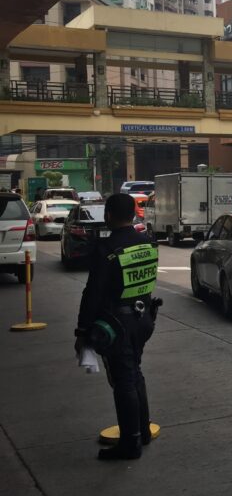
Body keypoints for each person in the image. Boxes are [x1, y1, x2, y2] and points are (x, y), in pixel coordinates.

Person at [75, 193, 159, 461]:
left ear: (108, 215)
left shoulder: (107, 248)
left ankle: (130, 443)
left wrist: (82, 331)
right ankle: (142, 431)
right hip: (143, 320)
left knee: (124, 381)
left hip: (117, 325)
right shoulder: (147, 242)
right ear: (133, 214)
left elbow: (93, 293)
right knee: (135, 372)